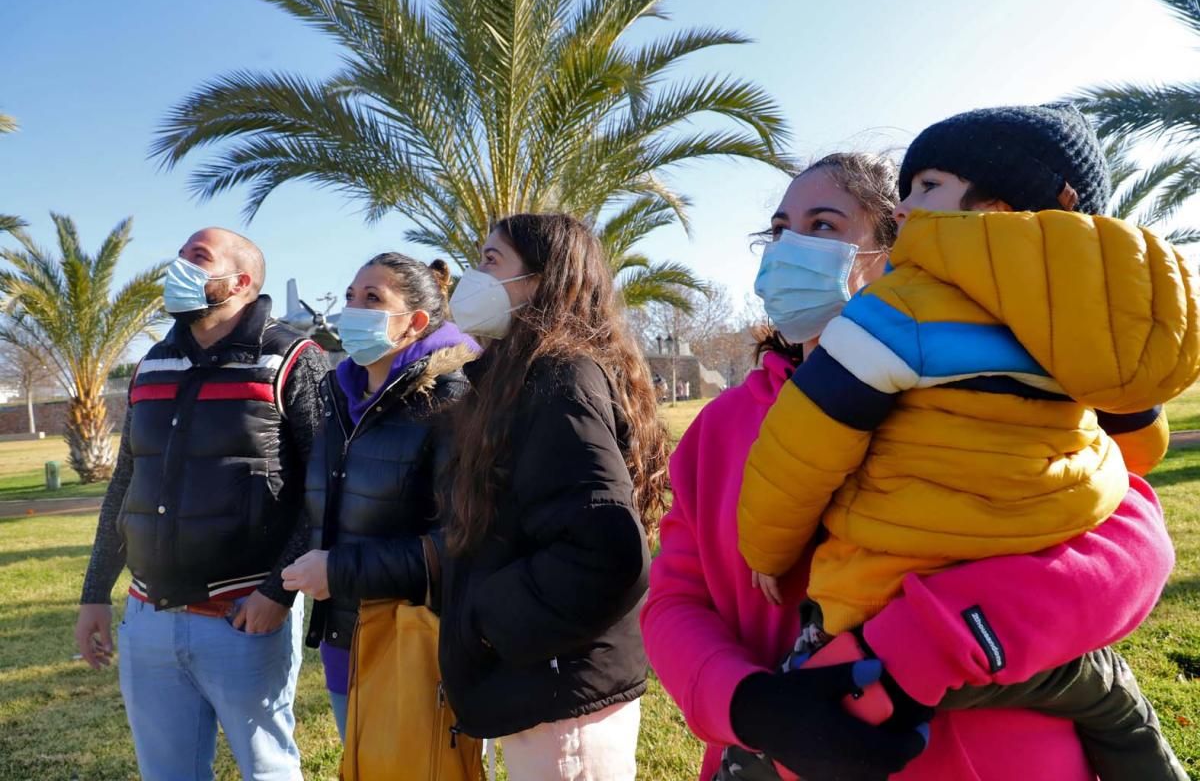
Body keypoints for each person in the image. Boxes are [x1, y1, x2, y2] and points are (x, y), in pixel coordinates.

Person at [641, 152, 1179, 781]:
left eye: (821, 225)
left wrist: (923, 645)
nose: (788, 247)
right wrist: (749, 704)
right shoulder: (721, 425)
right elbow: (675, 600)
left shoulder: (999, 391)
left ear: (897, 250)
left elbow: (1131, 545)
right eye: (780, 227)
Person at [74, 227, 326, 781]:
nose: (178, 267)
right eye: (179, 254)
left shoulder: (292, 359)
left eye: (197, 258)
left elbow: (324, 487)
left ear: (239, 282)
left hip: (244, 618)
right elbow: (125, 484)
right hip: (148, 617)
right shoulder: (152, 364)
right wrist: (96, 595)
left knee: (268, 769)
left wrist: (277, 592)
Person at [435, 213, 669, 779]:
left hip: (563, 700)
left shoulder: (558, 381)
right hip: (550, 684)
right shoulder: (522, 377)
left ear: (544, 281)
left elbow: (605, 552)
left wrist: (489, 620)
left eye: (492, 261)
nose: (473, 276)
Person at [278, 253, 478, 740]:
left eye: (372, 298)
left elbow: (460, 544)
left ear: (415, 323)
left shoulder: (450, 402)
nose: (352, 310)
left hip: (417, 644)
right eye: (350, 296)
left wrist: (338, 571)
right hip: (344, 640)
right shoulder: (337, 397)